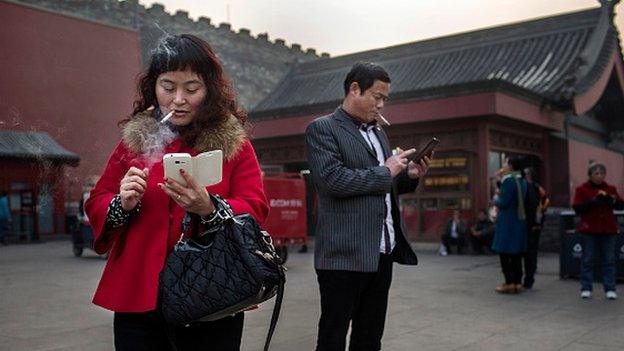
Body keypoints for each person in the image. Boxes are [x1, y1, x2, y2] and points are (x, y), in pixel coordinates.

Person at [85, 34, 269, 351]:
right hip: (141, 294)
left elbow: (256, 207)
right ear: (153, 88)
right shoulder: (135, 142)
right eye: (168, 87)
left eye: (191, 89)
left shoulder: (235, 145)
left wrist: (209, 207)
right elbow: (98, 200)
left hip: (212, 293)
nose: (178, 99)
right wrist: (122, 203)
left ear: (209, 89)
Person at [305, 62, 431, 351]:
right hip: (343, 254)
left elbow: (384, 187)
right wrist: (387, 171)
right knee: (333, 337)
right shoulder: (323, 129)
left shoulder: (378, 133)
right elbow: (332, 181)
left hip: (381, 251)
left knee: (370, 336)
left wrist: (408, 177)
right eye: (377, 96)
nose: (382, 105)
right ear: (354, 89)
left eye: (385, 98)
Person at [573, 162, 624, 300]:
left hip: (608, 229)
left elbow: (620, 204)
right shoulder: (582, 189)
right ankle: (586, 287)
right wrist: (593, 201)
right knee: (588, 259)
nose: (600, 176)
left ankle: (610, 288)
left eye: (602, 173)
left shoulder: (610, 188)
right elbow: (577, 208)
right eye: (596, 173)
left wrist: (610, 200)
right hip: (589, 229)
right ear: (590, 175)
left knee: (609, 260)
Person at [491, 156, 527, 294]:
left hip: (507, 222)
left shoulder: (509, 181)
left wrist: (496, 199)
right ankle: (517, 282)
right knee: (516, 254)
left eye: (505, 163)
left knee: (505, 254)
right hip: (518, 221)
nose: (504, 166)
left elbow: (503, 202)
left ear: (511, 166)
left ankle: (509, 282)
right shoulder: (521, 180)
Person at [520, 167, 549, 289]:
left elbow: (545, 203)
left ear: (530, 175)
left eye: (525, 173)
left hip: (533, 224)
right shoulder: (524, 188)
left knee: (530, 252)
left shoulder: (537, 188)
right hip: (526, 224)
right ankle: (528, 274)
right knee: (528, 252)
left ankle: (529, 277)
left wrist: (538, 221)